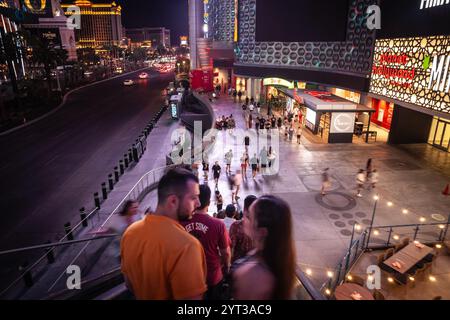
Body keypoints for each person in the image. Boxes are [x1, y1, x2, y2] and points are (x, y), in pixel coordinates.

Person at [120, 168, 206, 300]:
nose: (198, 203)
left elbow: (129, 284)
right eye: (193, 198)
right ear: (173, 201)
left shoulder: (130, 233)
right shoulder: (187, 246)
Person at [231, 195, 296, 300]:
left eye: (249, 217)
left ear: (261, 232)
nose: (244, 219)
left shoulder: (252, 277)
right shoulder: (279, 258)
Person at [180, 185, 231, 300]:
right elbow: (226, 253)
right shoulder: (218, 224)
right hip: (212, 276)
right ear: (208, 202)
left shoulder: (180, 222)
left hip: (189, 277)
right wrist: (227, 266)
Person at [229, 195, 257, 263]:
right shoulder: (261, 227)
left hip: (238, 265)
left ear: (244, 209)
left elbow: (231, 249)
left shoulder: (236, 226)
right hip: (255, 266)